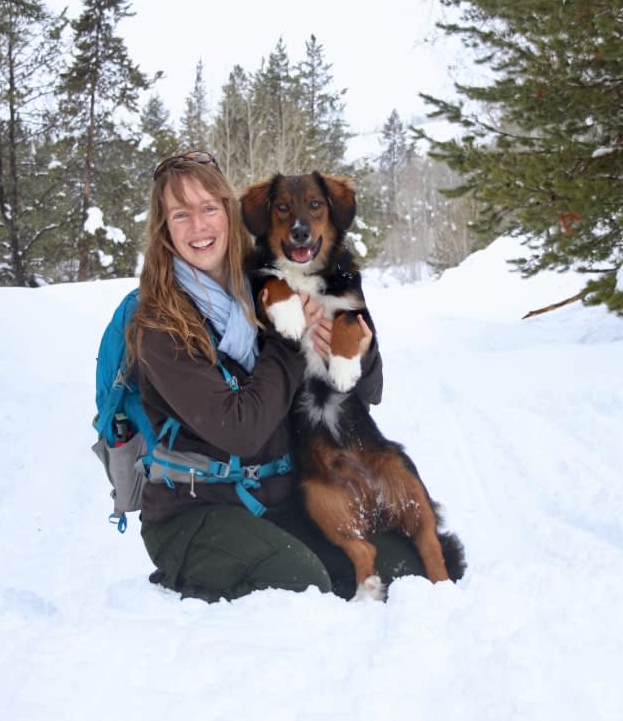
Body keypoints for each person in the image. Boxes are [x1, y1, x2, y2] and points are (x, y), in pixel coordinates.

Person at [126, 150, 426, 601]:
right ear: (163, 227)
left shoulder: (263, 287)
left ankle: (266, 554)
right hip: (195, 511)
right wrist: (291, 342)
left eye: (209, 208)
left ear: (229, 214)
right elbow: (240, 431)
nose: (200, 226)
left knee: (402, 563)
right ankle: (182, 577)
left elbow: (371, 390)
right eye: (181, 214)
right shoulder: (160, 324)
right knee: (302, 582)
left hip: (273, 500)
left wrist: (358, 351)